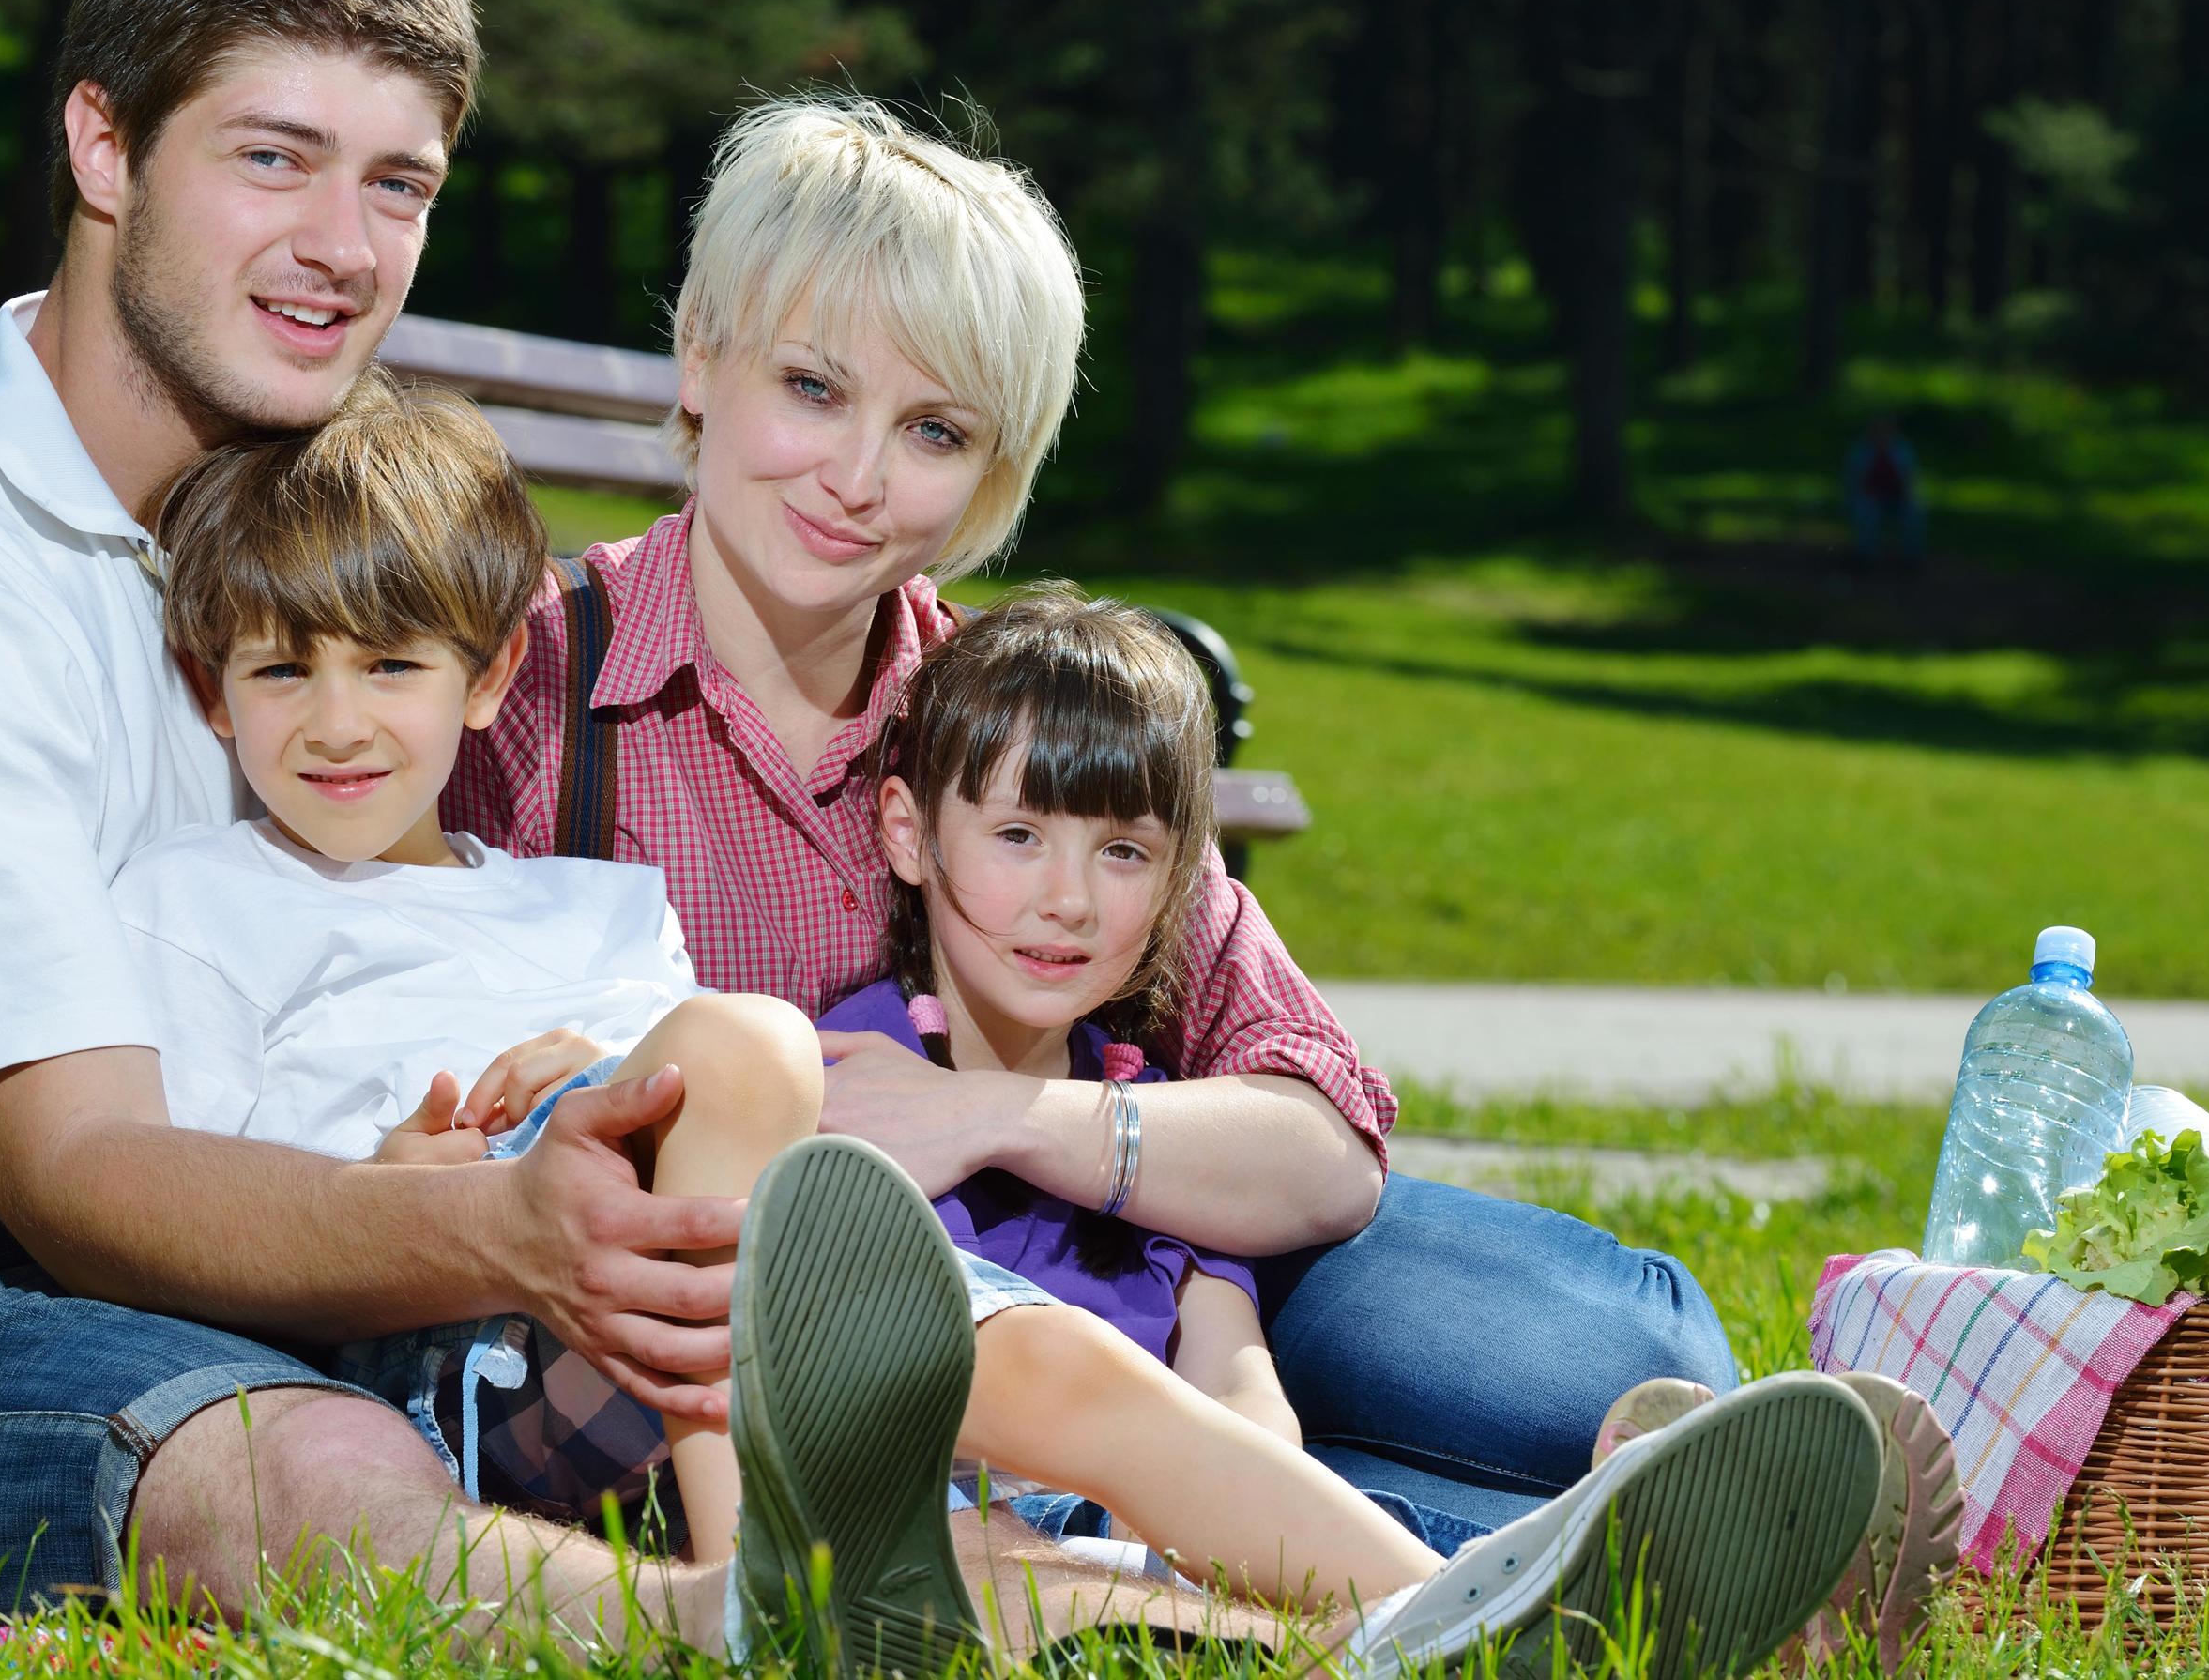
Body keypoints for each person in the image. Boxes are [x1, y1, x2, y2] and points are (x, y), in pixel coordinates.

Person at [0, 0, 1226, 1661]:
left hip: (315, 1243)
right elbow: (78, 1171)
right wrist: (498, 1232)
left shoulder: (298, 547)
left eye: (395, 182)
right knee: (310, 1471)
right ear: (103, 151)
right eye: (273, 156)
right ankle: (734, 1624)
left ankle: (1389, 1588)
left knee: (969, 1353)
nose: (342, 242)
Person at [119, 389, 1892, 1677]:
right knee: (746, 1049)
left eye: (387, 670)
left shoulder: (581, 905)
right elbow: (187, 1216)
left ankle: (1428, 1626)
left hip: (740, 1286)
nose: (338, 721)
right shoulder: (198, 910)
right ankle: (762, 1590)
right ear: (213, 689)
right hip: (506, 1329)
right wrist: (397, 1180)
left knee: (1033, 1430)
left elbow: (1310, 1093)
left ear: (483, 683)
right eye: (281, 672)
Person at [440, 93, 1741, 1540]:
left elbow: (1319, 1137)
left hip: (1092, 1257)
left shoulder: (1007, 712)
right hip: (776, 1360)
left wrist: (991, 1115)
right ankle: (1544, 1557)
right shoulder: (522, 682)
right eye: (811, 388)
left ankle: (1618, 1521)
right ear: (701, 354)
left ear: (993, 468)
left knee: (1631, 1356)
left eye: (932, 429)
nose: (859, 479)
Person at [1843, 415, 1926, 567]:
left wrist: (1910, 496)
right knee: (1866, 513)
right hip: (1871, 497)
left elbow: (1909, 478)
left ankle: (1911, 558)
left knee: (1913, 515)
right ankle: (1866, 557)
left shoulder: (1902, 450)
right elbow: (1854, 481)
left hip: (1897, 498)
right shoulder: (1861, 451)